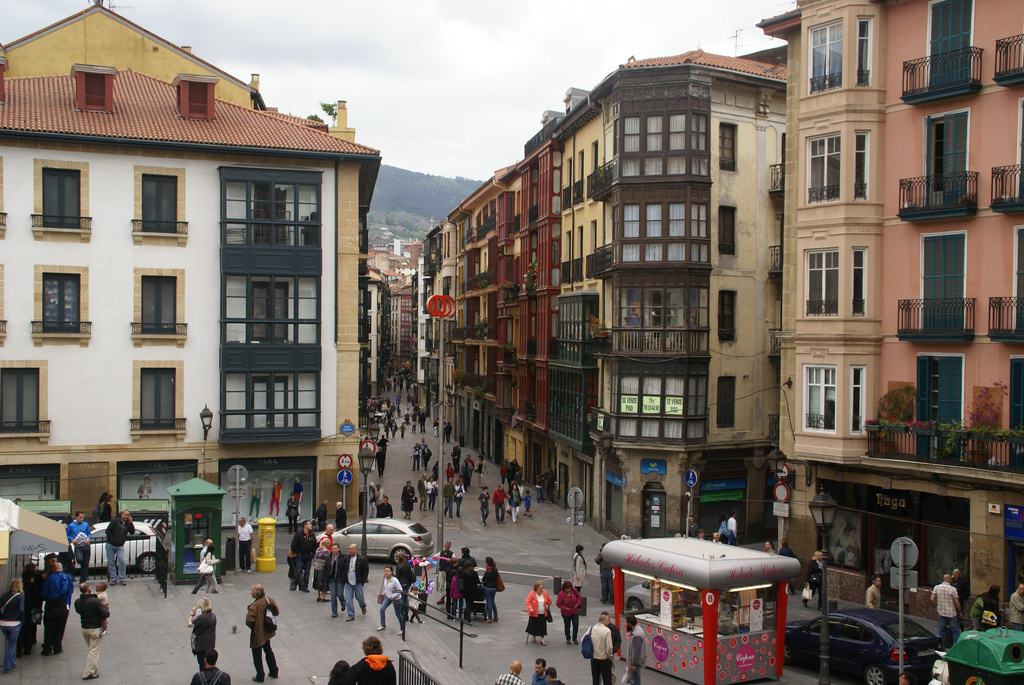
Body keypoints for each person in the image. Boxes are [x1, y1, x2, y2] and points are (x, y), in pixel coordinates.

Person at [245, 584, 279, 682]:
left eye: (252, 591)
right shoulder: (269, 600)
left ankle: (260, 676)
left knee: (257, 655)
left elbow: (249, 621)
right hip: (267, 631)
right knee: (268, 651)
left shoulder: (254, 606)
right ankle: (274, 671)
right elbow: (276, 612)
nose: (251, 592)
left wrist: (255, 627)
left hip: (258, 634)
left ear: (256, 594)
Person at [74, 583, 108, 680]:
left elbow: (78, 611)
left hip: (85, 628)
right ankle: (89, 672)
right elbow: (104, 613)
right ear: (88, 589)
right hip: (95, 628)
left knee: (92, 649)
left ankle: (93, 669)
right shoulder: (95, 601)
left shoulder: (78, 602)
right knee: (94, 651)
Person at [40, 556, 72, 656]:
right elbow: (69, 593)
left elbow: (44, 594)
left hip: (51, 605)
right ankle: (57, 647)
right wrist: (68, 606)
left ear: (54, 569)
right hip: (63, 605)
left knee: (49, 628)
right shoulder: (67, 578)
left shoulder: (49, 579)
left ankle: (47, 648)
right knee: (60, 628)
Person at [17, 561, 42, 658]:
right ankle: (28, 648)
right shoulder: (35, 586)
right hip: (33, 609)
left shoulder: (22, 586)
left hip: (23, 610)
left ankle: (19, 649)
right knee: (30, 628)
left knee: (22, 629)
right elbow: (39, 597)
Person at [931, 573, 962, 648]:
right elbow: (956, 602)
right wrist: (960, 612)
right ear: (950, 580)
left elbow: (932, 599)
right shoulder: (952, 589)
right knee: (955, 631)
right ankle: (955, 647)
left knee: (942, 630)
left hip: (941, 612)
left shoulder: (936, 587)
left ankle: (942, 646)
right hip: (951, 613)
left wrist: (936, 605)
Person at [105, 510, 135, 586]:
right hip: (110, 545)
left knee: (122, 561)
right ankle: (113, 578)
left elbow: (132, 532)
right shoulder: (115, 521)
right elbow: (108, 531)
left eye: (128, 515)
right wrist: (112, 540)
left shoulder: (128, 523)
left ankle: (122, 578)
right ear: (121, 515)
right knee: (111, 562)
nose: (126, 516)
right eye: (125, 515)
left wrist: (131, 522)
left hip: (120, 546)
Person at [0, 579, 24, 674]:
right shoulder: (21, 596)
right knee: (11, 645)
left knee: (11, 643)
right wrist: (22, 619)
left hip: (3, 624)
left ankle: (13, 663)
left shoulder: (4, 595)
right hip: (14, 624)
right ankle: (7, 667)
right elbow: (21, 610)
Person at [187, 596, 217, 670]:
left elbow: (189, 624)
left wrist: (191, 614)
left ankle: (203, 676)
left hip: (201, 646)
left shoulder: (202, 618)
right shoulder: (213, 615)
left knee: (202, 665)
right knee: (209, 665)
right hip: (210, 645)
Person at [342, 544, 369, 621]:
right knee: (348, 600)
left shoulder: (362, 559)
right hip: (348, 582)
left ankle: (363, 606)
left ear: (356, 550)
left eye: (351, 549)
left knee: (360, 598)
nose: (350, 550)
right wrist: (344, 578)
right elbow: (343, 568)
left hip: (357, 582)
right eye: (349, 549)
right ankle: (351, 615)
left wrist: (362, 580)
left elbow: (366, 570)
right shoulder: (346, 558)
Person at [290, 520, 317, 592]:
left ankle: (305, 587)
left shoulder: (312, 535)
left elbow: (315, 545)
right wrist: (298, 552)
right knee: (298, 571)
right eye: (309, 524)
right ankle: (294, 583)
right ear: (305, 525)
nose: (311, 525)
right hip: (300, 556)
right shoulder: (299, 534)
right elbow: (293, 545)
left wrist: (313, 553)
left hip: (309, 556)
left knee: (307, 572)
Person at [377, 566, 405, 633]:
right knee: (382, 609)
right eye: (385, 571)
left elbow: (400, 590)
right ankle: (383, 625)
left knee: (398, 614)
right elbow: (387, 588)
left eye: (388, 571)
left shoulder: (395, 580)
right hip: (388, 597)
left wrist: (392, 596)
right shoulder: (385, 578)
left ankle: (402, 629)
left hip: (396, 599)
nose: (386, 572)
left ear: (391, 572)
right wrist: (385, 593)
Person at [589, 611, 614, 685]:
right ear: (603, 621)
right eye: (607, 621)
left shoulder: (592, 628)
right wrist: (610, 657)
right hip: (604, 659)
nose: (608, 622)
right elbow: (609, 647)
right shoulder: (607, 630)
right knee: (607, 679)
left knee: (595, 679)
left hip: (594, 658)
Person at [66, 511, 92, 583]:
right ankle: (83, 574)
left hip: (86, 545)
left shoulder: (85, 524)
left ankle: (82, 580)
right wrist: (72, 540)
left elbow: (89, 533)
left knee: (86, 563)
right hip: (78, 546)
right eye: (80, 517)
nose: (82, 519)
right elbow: (67, 535)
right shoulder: (71, 525)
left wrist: (88, 539)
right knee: (80, 559)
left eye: (83, 517)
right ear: (76, 517)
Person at [524, 581, 551, 646]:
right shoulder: (532, 594)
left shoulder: (545, 593)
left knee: (543, 627)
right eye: (540, 588)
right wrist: (530, 608)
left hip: (543, 613)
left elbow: (549, 601)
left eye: (542, 588)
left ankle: (542, 639)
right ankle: (534, 636)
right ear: (536, 588)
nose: (541, 590)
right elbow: (528, 602)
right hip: (534, 613)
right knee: (534, 626)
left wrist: (547, 605)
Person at [555, 580, 582, 645]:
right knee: (567, 625)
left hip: (575, 611)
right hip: (566, 613)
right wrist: (565, 608)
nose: (568, 590)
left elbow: (579, 597)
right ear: (564, 588)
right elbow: (558, 603)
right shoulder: (561, 594)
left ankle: (574, 638)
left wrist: (577, 604)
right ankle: (568, 638)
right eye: (566, 589)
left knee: (575, 624)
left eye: (569, 588)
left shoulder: (574, 590)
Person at [394, 552, 417, 625]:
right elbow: (410, 575)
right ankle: (406, 615)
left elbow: (397, 577)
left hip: (401, 585)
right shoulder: (407, 565)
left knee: (402, 600)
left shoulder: (399, 566)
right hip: (407, 585)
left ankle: (403, 616)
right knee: (405, 599)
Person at [624, 614, 646, 685]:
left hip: (635, 663)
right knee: (635, 679)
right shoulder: (637, 630)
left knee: (635, 680)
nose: (626, 624)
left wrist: (633, 665)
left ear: (630, 623)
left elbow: (636, 652)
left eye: (626, 622)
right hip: (635, 662)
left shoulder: (636, 635)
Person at [482, 557, 502, 623]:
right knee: (492, 602)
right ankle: (496, 617)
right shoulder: (495, 570)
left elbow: (483, 579)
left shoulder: (488, 571)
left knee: (489, 603)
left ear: (487, 563)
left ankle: (490, 618)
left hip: (488, 588)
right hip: (494, 588)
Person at [312, 537, 333, 602]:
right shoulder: (326, 552)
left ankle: (318, 596)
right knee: (324, 582)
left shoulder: (318, 549)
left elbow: (315, 559)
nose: (329, 544)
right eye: (329, 543)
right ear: (326, 543)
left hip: (317, 568)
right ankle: (324, 597)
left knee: (318, 582)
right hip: (323, 569)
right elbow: (328, 562)